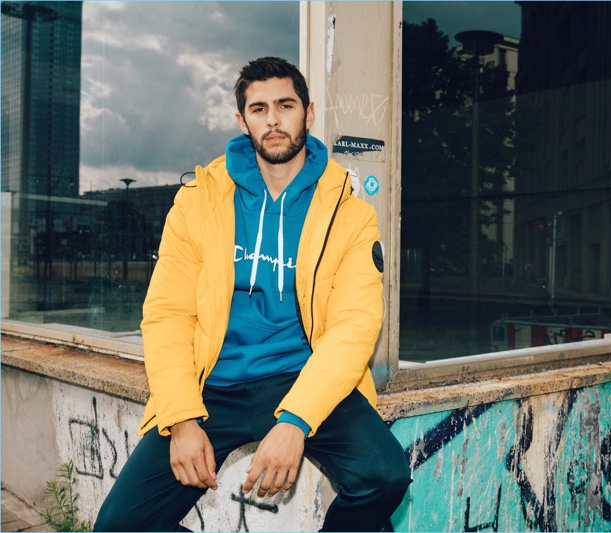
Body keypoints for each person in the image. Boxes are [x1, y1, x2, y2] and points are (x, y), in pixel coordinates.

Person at [94, 56, 411, 532]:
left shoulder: (349, 212)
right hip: (212, 387)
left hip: (301, 375)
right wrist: (180, 419)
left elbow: (354, 327)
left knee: (384, 476)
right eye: (259, 108)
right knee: (118, 527)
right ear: (242, 120)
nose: (274, 120)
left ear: (308, 111)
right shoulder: (197, 202)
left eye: (286, 105)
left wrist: (296, 422)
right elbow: (168, 315)